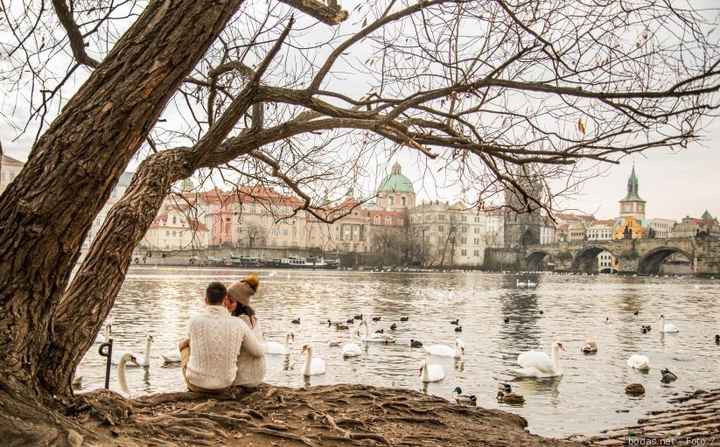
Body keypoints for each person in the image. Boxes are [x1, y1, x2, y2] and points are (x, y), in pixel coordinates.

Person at [180, 281, 264, 393]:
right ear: (225, 299)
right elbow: (258, 352)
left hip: (196, 385)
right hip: (225, 384)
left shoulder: (194, 321)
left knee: (183, 345)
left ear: (205, 300)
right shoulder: (239, 323)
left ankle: (193, 381)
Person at [225, 274, 266, 388]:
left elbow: (257, 351)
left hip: (245, 379)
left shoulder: (241, 321)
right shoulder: (252, 317)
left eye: (228, 298)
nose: (225, 301)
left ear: (235, 301)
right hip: (256, 375)